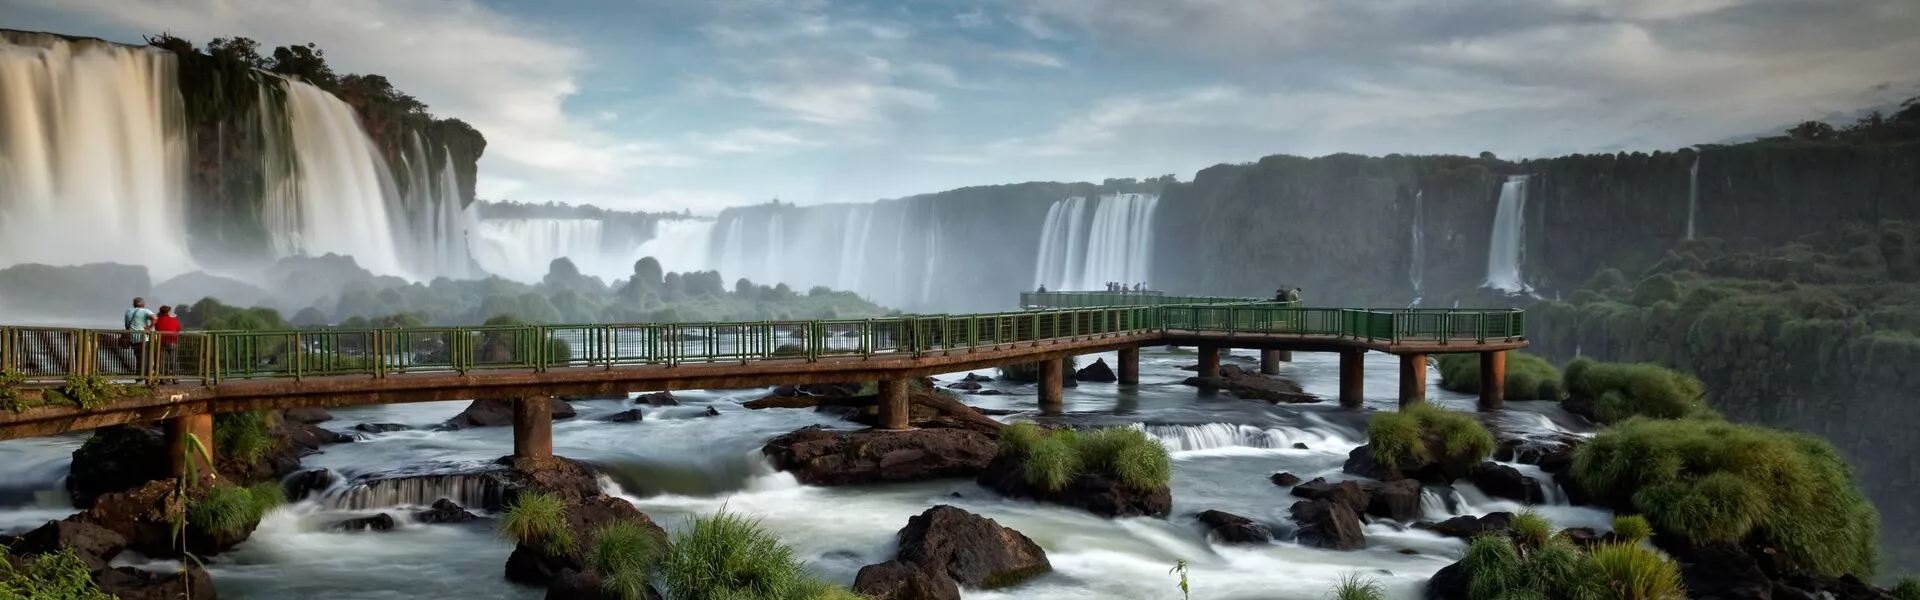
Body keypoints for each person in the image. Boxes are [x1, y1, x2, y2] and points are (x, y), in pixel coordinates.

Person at [123, 297, 156, 377]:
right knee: (146, 358)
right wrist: (150, 327)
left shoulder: (128, 311)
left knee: (138, 358)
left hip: (133, 338)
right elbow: (154, 318)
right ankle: (144, 377)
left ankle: (140, 375)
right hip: (143, 338)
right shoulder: (145, 311)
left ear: (134, 304)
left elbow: (127, 325)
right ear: (143, 304)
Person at [155, 305, 182, 383]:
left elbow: (157, 329)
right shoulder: (174, 320)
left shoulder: (158, 321)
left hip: (162, 343)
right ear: (168, 312)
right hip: (173, 341)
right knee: (174, 360)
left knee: (162, 361)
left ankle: (162, 379)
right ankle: (175, 378)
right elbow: (178, 329)